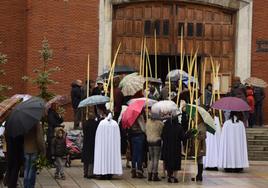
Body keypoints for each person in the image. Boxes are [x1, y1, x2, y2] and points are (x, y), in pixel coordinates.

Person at [161, 115, 191, 183]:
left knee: (168, 162)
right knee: (176, 162)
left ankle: (169, 176)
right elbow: (183, 137)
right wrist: (189, 134)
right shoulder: (179, 127)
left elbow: (162, 136)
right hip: (176, 148)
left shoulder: (165, 127)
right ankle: (175, 177)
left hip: (167, 147)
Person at [93, 111, 122, 180]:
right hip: (112, 146)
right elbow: (118, 136)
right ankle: (110, 173)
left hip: (103, 145)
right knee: (111, 157)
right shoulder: (115, 124)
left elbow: (98, 136)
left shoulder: (102, 123)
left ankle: (103, 173)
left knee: (104, 157)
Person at [145, 113, 164, 181]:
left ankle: (149, 175)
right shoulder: (160, 124)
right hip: (157, 142)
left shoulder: (148, 123)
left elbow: (145, 131)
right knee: (156, 159)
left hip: (149, 142)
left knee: (151, 159)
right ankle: (155, 174)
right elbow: (161, 133)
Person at [82, 106, 99, 179]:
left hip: (86, 142)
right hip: (93, 142)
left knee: (86, 159)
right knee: (91, 158)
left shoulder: (85, 123)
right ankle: (90, 173)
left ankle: (85, 172)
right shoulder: (95, 124)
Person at [129, 113, 146, 178]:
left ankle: (133, 170)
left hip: (133, 136)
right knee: (139, 154)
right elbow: (143, 128)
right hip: (139, 135)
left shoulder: (131, 116)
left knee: (134, 154)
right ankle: (139, 171)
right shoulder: (140, 116)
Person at [191, 115, 207, 182]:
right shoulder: (196, 125)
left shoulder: (202, 125)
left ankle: (199, 176)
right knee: (198, 159)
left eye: (195, 117)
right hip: (196, 144)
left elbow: (203, 136)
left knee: (200, 159)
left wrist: (197, 135)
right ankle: (198, 175)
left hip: (200, 146)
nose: (194, 118)